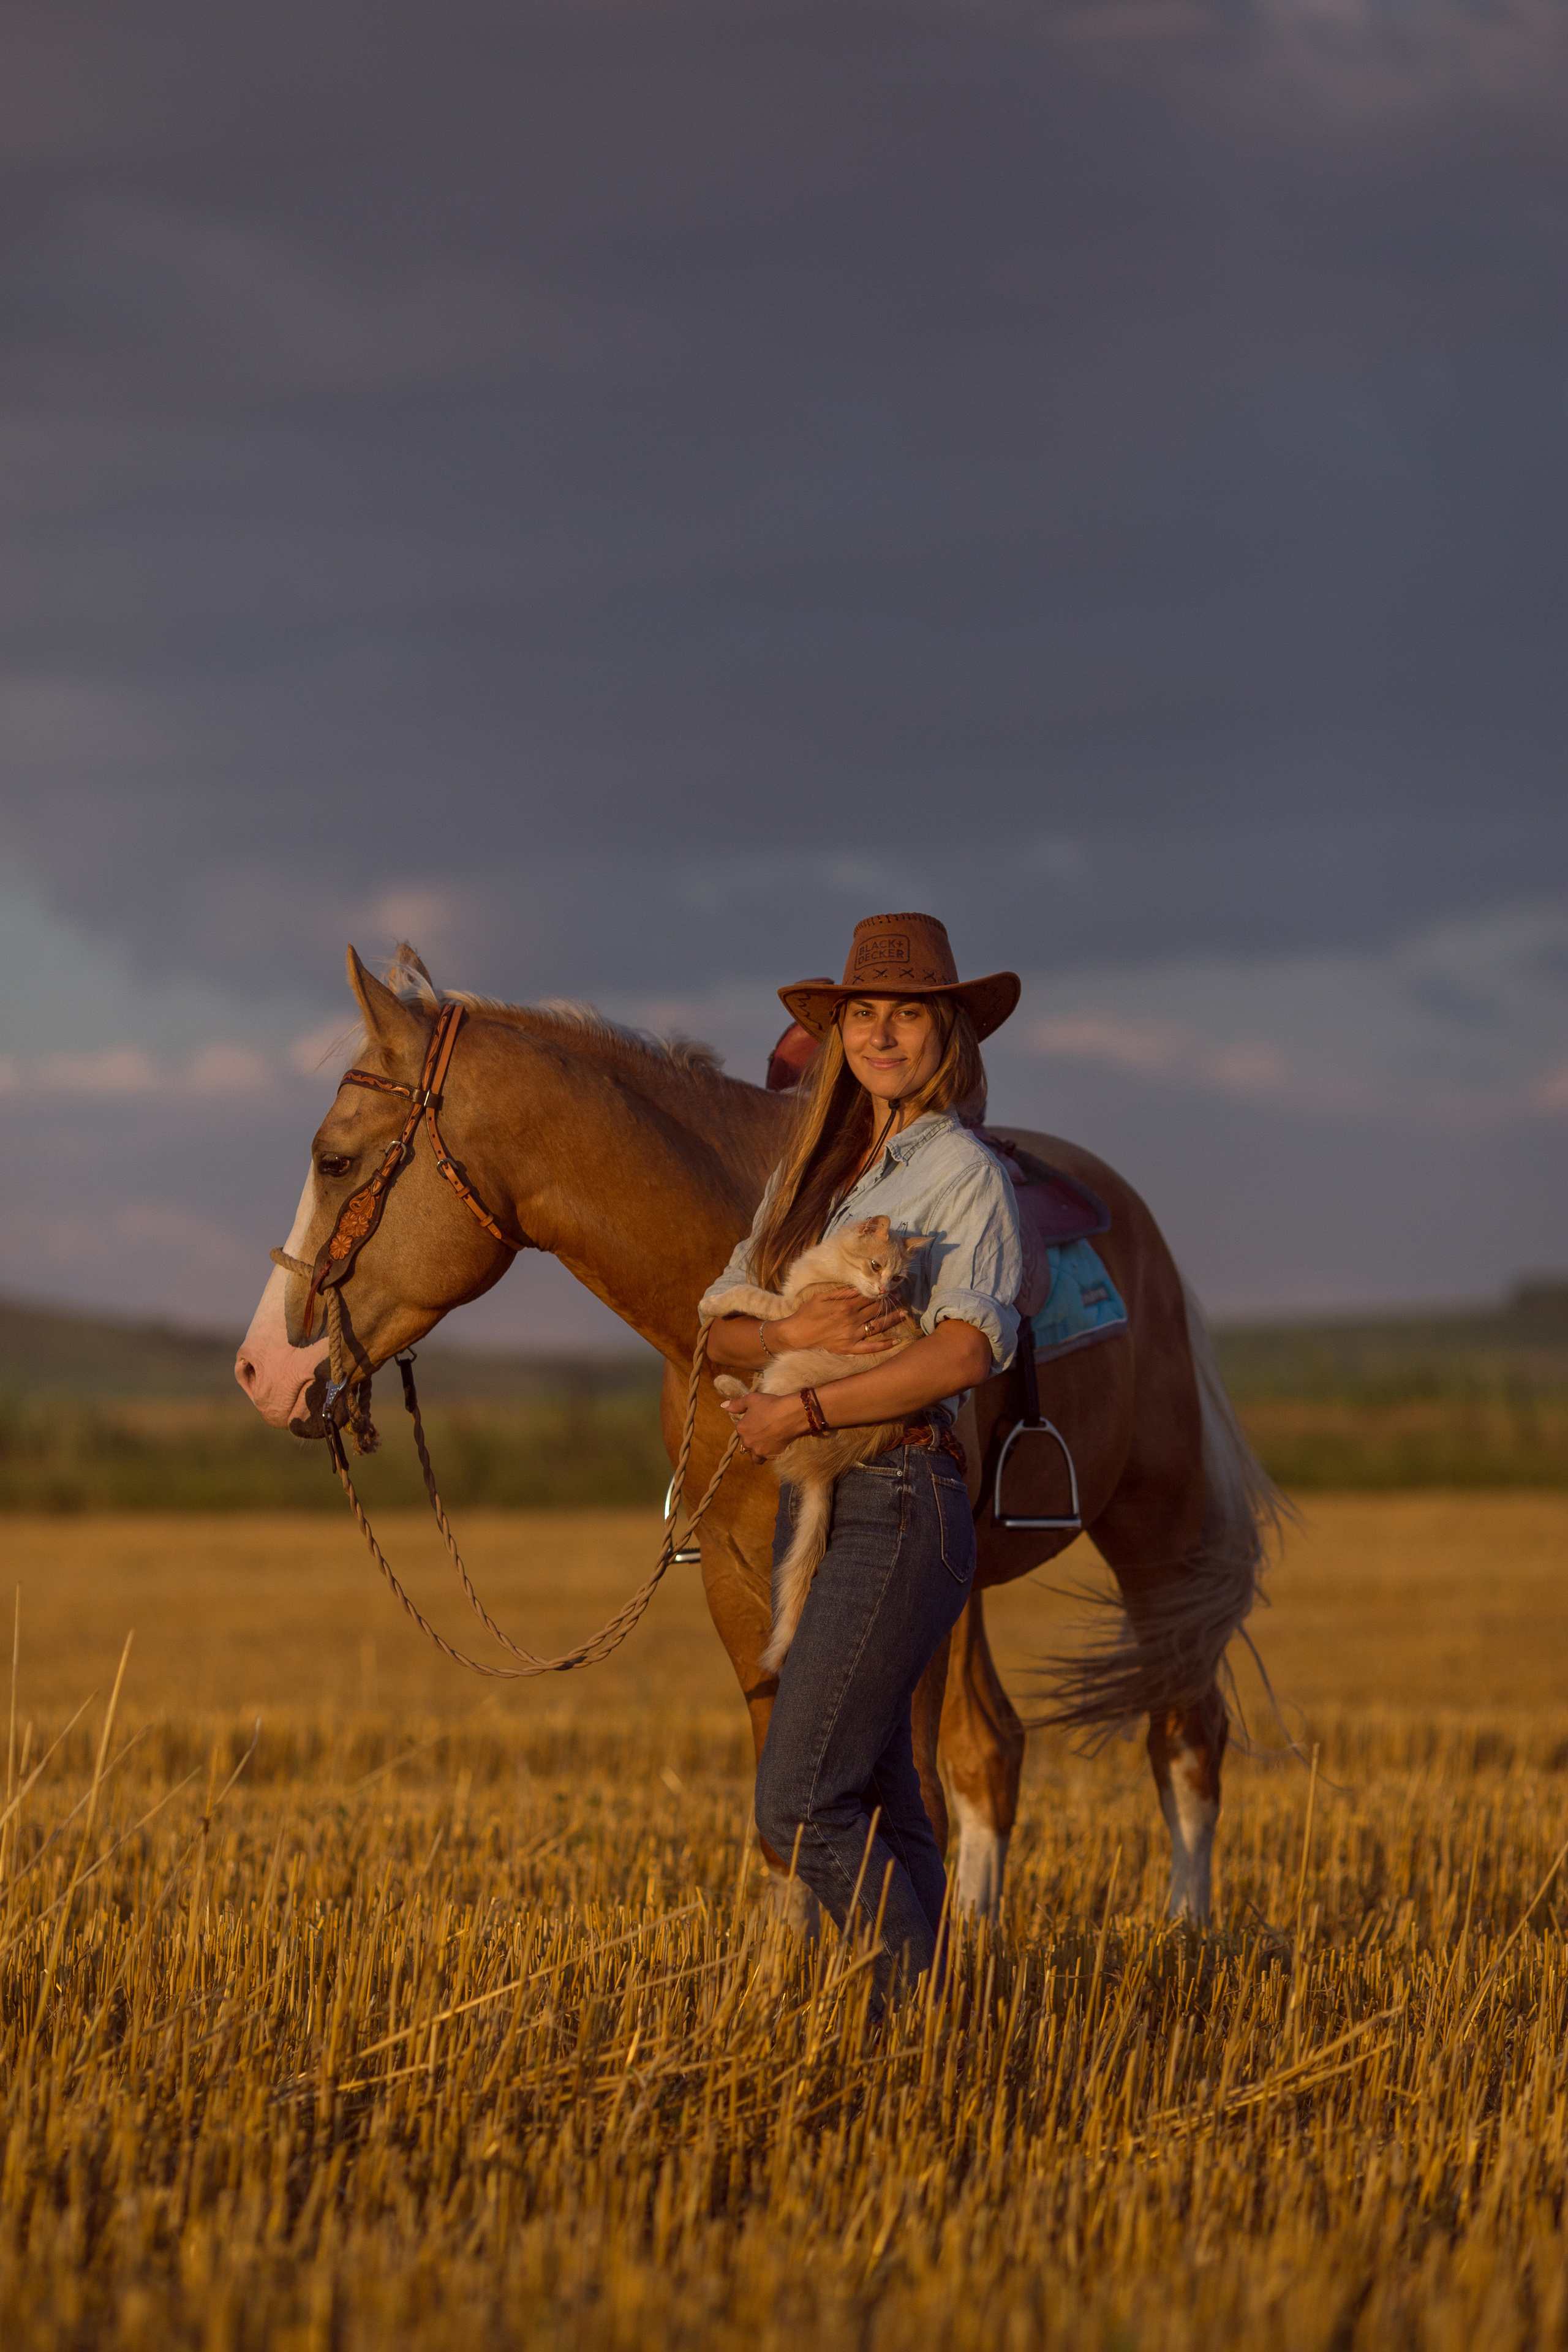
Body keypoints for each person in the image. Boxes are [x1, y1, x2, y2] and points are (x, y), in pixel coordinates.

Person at [705, 912, 1023, 1999]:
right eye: (865, 1014)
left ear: (949, 1036)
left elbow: (966, 1352)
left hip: (901, 1496)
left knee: (798, 1804)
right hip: (830, 1509)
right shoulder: (819, 1179)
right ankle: (934, 2031)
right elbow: (719, 1329)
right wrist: (792, 1338)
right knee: (886, 1803)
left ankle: (909, 2011)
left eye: (910, 1014)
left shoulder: (964, 1175)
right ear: (840, 1032)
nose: (884, 1034)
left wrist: (802, 1412)